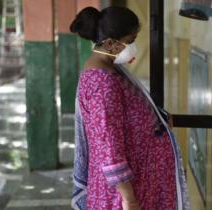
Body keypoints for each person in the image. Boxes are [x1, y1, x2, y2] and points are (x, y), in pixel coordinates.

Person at [70, 6, 189, 210]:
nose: (133, 47)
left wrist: (156, 118)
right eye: (130, 41)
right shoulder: (102, 83)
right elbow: (109, 148)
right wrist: (129, 200)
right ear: (109, 43)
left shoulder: (110, 70)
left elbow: (127, 115)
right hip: (121, 196)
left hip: (139, 185)